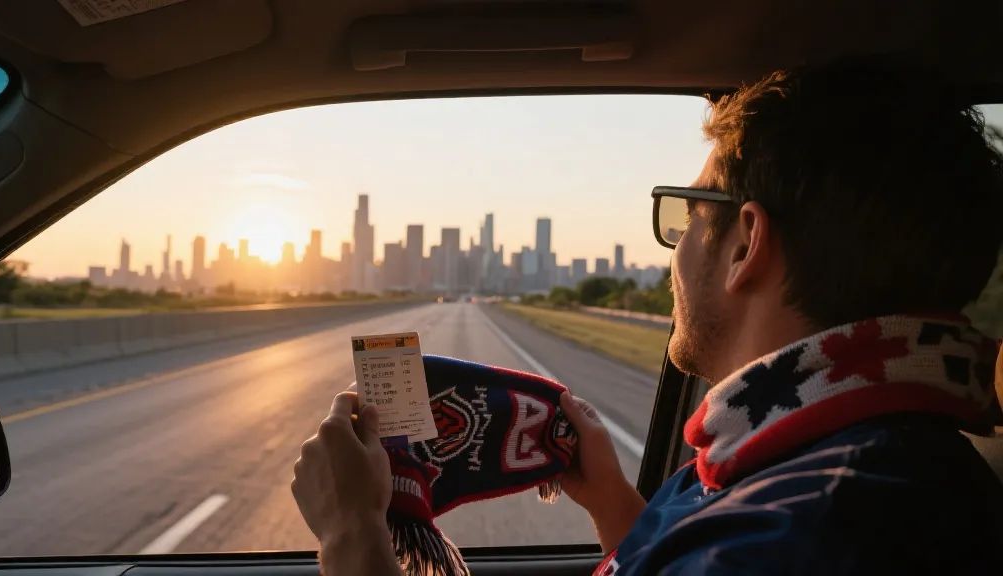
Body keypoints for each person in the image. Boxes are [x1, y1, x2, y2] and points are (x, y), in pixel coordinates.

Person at [291, 58, 1003, 575]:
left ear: (745, 244)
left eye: (688, 215)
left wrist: (353, 539)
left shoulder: (805, 535)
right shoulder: (818, 459)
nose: (673, 250)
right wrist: (612, 505)